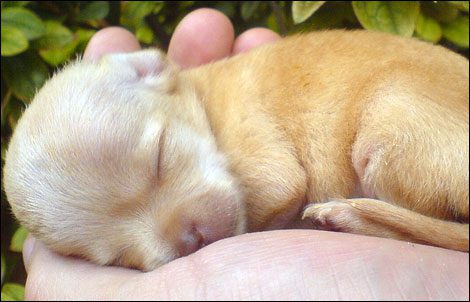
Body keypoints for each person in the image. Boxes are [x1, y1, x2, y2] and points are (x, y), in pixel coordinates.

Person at [22, 8, 469, 300]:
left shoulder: (229, 96)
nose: (173, 241)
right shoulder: (171, 117)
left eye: (159, 161)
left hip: (423, 122)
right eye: (121, 254)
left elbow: (280, 183)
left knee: (393, 133)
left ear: (150, 71)